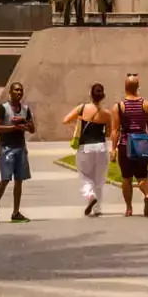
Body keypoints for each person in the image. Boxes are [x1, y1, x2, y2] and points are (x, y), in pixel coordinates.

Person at [64, 83, 115, 217]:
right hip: (101, 147)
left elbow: (66, 120)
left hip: (85, 147)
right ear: (103, 96)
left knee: (85, 176)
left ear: (90, 94)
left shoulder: (82, 108)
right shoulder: (107, 114)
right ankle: (97, 209)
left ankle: (90, 196)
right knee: (99, 179)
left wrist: (77, 127)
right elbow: (108, 133)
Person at [115, 73, 148, 218]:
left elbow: (115, 130)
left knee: (126, 178)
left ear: (125, 87)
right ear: (138, 87)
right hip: (143, 144)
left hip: (125, 144)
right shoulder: (146, 105)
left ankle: (128, 208)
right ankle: (146, 195)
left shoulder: (119, 107)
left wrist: (112, 149)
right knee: (142, 176)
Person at [0, 81, 36, 223]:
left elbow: (32, 129)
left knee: (19, 181)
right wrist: (13, 127)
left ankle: (16, 212)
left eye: (21, 90)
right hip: (7, 148)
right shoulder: (3, 108)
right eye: (16, 90)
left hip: (20, 148)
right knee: (5, 179)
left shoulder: (25, 109)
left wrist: (24, 122)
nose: (19, 93)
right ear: (10, 92)